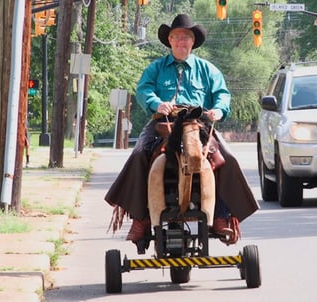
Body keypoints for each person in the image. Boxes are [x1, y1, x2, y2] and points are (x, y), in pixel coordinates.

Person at [105, 14, 259, 245]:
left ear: (193, 41)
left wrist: (218, 110)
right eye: (176, 36)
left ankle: (221, 217)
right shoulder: (155, 68)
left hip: (200, 123)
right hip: (163, 123)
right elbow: (143, 90)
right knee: (139, 155)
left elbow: (222, 95)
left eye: (186, 37)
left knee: (228, 159)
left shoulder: (208, 69)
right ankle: (141, 219)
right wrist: (157, 102)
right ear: (169, 40)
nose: (181, 41)